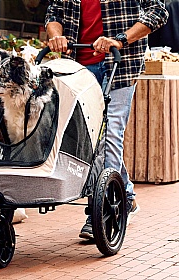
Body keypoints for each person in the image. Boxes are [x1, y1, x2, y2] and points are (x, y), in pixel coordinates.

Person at [45, 0, 168, 239]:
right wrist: (56, 36)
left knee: (110, 134)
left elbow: (158, 12)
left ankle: (101, 209)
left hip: (120, 65)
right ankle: (127, 195)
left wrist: (121, 39)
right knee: (89, 139)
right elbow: (54, 12)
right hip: (78, 68)